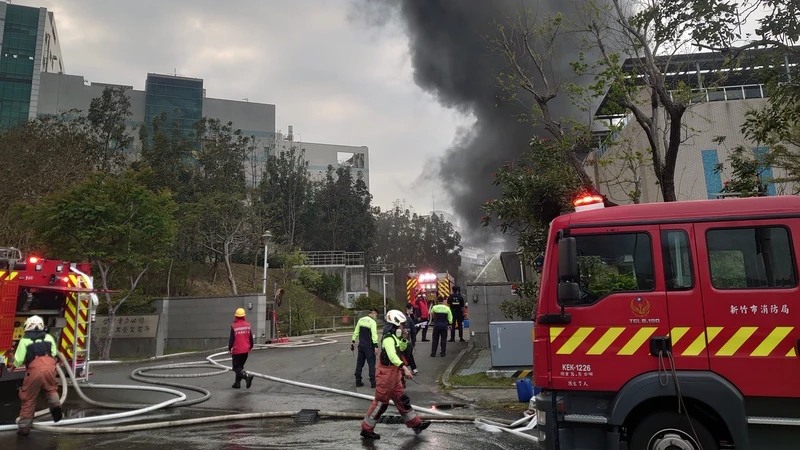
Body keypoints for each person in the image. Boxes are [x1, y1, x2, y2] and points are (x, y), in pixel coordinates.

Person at [360, 309, 431, 440]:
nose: (403, 327)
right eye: (401, 325)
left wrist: (404, 339)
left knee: (402, 400)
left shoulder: (394, 338)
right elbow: (393, 356)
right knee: (381, 403)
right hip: (386, 375)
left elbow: (402, 349)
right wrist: (405, 368)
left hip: (394, 375)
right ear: (394, 325)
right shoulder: (388, 339)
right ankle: (366, 429)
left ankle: (416, 425)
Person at [8, 315, 62, 436]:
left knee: (29, 398)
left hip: (34, 370)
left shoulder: (24, 340)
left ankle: (24, 428)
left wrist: (11, 369)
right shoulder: (49, 337)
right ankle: (56, 406)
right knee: (50, 389)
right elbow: (53, 353)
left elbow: (18, 360)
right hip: (50, 367)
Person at [351, 308, 379, 388]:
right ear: (373, 313)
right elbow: (374, 335)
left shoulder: (361, 320)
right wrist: (376, 346)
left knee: (359, 363)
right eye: (376, 314)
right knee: (371, 364)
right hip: (369, 347)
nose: (376, 316)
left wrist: (353, 341)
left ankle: (358, 381)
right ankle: (373, 383)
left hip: (361, 346)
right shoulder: (372, 322)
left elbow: (356, 332)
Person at [228, 307, 255, 389]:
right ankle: (237, 383)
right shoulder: (247, 325)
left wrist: (229, 348)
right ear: (244, 316)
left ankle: (247, 377)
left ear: (236, 316)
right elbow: (250, 338)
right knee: (240, 367)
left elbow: (231, 339)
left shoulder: (234, 326)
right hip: (245, 351)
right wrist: (250, 347)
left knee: (236, 368)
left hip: (237, 351)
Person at [403, 303, 418, 375]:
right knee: (407, 355)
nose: (411, 310)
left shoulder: (410, 317)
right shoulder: (404, 317)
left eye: (412, 309)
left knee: (408, 354)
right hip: (404, 340)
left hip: (408, 340)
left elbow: (413, 330)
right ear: (406, 309)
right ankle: (412, 368)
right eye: (410, 309)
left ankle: (413, 368)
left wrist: (414, 340)